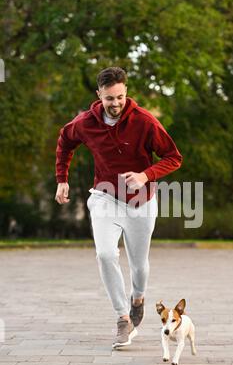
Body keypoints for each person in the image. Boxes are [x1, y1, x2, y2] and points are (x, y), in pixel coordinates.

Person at [55, 67, 182, 349]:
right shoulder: (85, 122)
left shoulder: (145, 121)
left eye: (121, 97)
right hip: (105, 196)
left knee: (139, 265)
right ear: (99, 95)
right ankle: (123, 319)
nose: (116, 104)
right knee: (104, 254)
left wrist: (145, 175)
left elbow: (174, 157)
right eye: (110, 98)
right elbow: (65, 142)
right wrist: (62, 179)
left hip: (141, 201)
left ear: (126, 93)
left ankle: (138, 297)